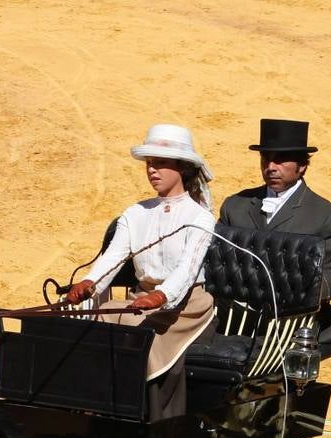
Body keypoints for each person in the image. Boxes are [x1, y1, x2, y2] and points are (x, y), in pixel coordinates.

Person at [63, 123, 219, 414]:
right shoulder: (135, 214)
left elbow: (187, 270)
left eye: (160, 163)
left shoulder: (200, 217)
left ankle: (148, 418)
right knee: (92, 328)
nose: (152, 171)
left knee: (139, 336)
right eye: (149, 164)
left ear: (182, 168)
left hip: (186, 307)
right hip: (141, 301)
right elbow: (113, 257)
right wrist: (89, 283)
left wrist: (161, 297)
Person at [218, 118, 331, 339]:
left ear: (302, 166)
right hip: (234, 320)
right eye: (266, 159)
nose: (270, 167)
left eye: (280, 160)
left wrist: (302, 292)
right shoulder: (235, 206)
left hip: (293, 323)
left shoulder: (324, 215)